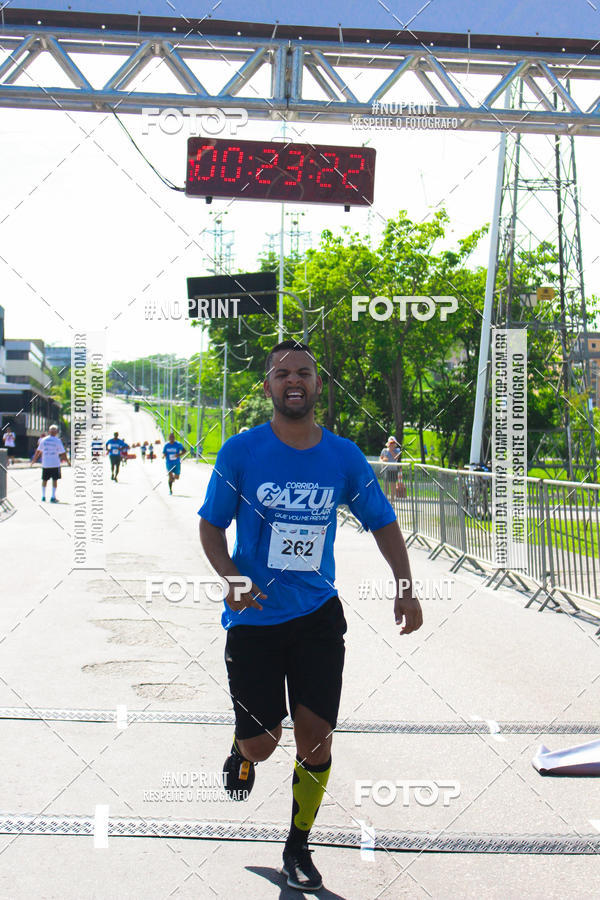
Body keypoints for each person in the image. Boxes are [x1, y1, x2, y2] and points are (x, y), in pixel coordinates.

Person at [198, 340, 422, 892]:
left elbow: (382, 522)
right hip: (254, 618)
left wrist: (406, 586)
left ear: (317, 385)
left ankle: (298, 844)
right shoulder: (242, 451)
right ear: (268, 386)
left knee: (315, 739)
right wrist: (232, 577)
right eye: (282, 373)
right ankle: (241, 746)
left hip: (318, 615)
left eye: (303, 372)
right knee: (264, 743)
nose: (293, 380)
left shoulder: (342, 457)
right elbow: (211, 525)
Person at [31, 424, 70, 502]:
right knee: (54, 480)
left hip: (46, 463)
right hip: (55, 463)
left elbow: (38, 451)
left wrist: (33, 461)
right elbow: (63, 453)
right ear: (56, 432)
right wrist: (68, 462)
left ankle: (43, 496)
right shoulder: (58, 441)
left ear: (49, 431)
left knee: (44, 480)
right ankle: (52, 497)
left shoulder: (43, 440)